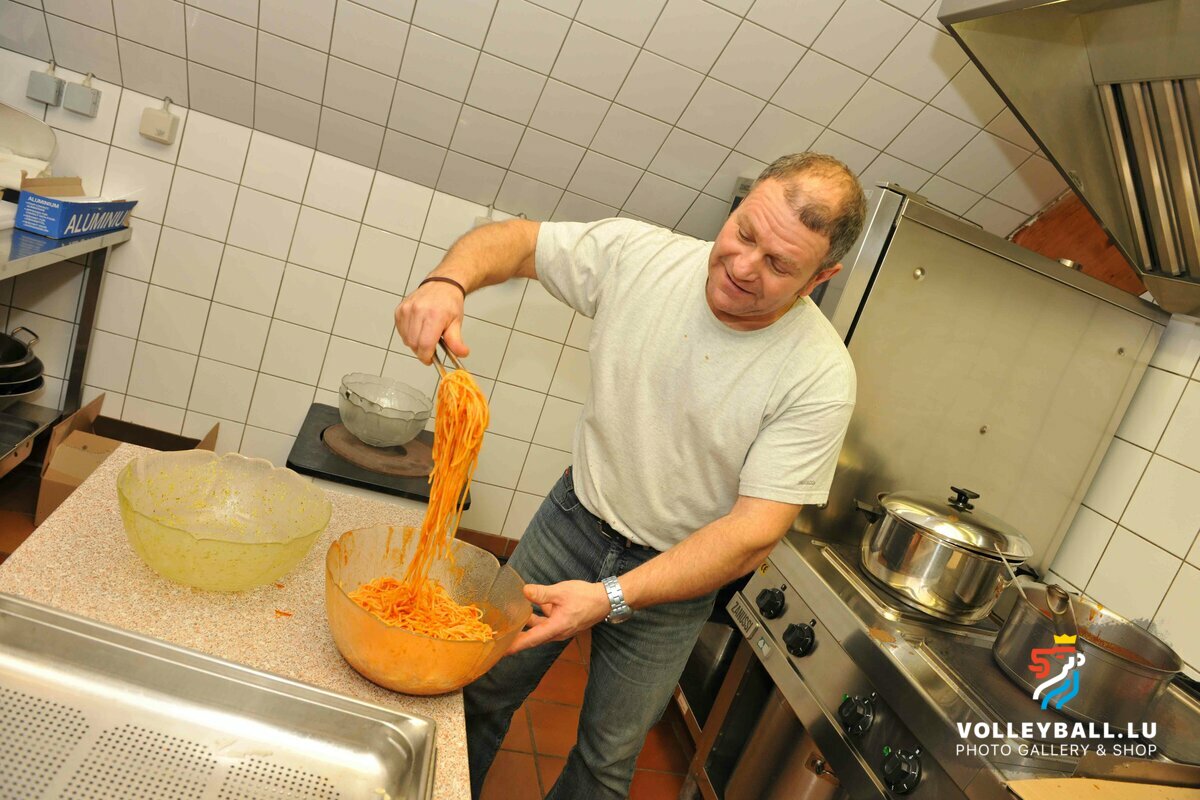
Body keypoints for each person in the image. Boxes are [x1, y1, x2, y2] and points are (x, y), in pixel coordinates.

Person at [394, 152, 867, 799]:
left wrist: (613, 596)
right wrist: (447, 282)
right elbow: (517, 241)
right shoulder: (642, 258)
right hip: (571, 522)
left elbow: (753, 533)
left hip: (676, 576)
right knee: (480, 689)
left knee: (606, 761)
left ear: (821, 276)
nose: (742, 265)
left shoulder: (819, 376)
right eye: (744, 233)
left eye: (779, 264)